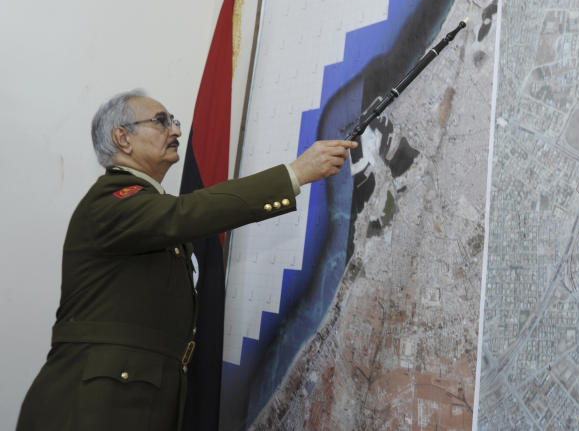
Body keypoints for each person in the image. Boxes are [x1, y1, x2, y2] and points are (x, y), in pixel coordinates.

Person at [16, 90, 357, 431]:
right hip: (94, 408)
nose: (176, 131)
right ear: (122, 138)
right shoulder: (111, 201)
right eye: (161, 121)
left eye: (174, 122)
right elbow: (187, 212)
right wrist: (294, 173)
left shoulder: (149, 210)